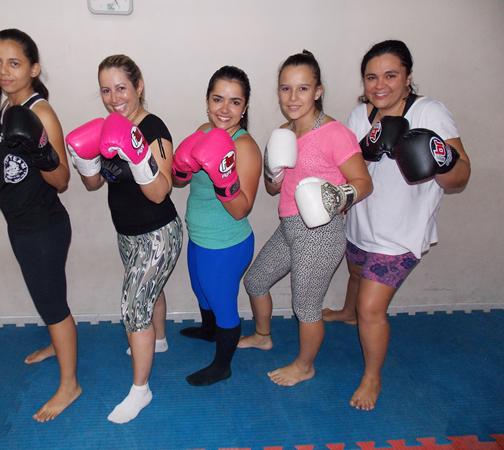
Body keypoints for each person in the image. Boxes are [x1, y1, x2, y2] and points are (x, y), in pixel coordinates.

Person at [322, 39, 471, 410]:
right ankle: (347, 312)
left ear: (407, 77)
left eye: (390, 75)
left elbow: (461, 178)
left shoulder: (429, 113)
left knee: (372, 309)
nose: (380, 85)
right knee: (356, 274)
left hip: (401, 234)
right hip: (362, 222)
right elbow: (349, 168)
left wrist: (437, 159)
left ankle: (372, 376)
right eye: (371, 77)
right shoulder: (360, 115)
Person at [0, 28, 80, 422]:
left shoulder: (40, 112)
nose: (3, 71)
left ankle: (69, 385)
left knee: (54, 305)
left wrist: (40, 149)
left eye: (14, 63)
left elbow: (61, 179)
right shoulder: (1, 108)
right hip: (20, 224)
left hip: (44, 227)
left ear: (33, 68)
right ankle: (56, 343)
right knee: (44, 297)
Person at [238, 51, 373, 387]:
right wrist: (273, 172)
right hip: (290, 226)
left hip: (321, 233)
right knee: (255, 281)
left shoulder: (335, 133)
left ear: (318, 91)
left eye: (302, 88)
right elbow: (273, 189)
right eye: (285, 89)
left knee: (306, 306)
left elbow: (364, 182)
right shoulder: (282, 133)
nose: (293, 97)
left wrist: (339, 196)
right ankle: (263, 336)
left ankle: (304, 365)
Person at [65, 55, 182, 424]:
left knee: (133, 308)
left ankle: (140, 391)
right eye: (106, 90)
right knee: (150, 293)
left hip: (159, 233)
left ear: (138, 86)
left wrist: (137, 154)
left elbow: (161, 191)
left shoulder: (153, 128)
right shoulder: (108, 128)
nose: (114, 98)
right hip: (127, 233)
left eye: (121, 88)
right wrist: (83, 158)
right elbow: (94, 183)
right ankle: (158, 340)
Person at [172, 65, 262, 386]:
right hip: (199, 236)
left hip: (226, 243)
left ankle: (223, 365)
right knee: (201, 291)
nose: (225, 109)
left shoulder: (245, 147)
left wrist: (223, 178)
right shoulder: (203, 131)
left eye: (235, 102)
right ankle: (209, 331)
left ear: (245, 107)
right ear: (207, 101)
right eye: (218, 99)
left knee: (223, 304)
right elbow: (179, 181)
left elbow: (241, 210)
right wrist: (181, 169)